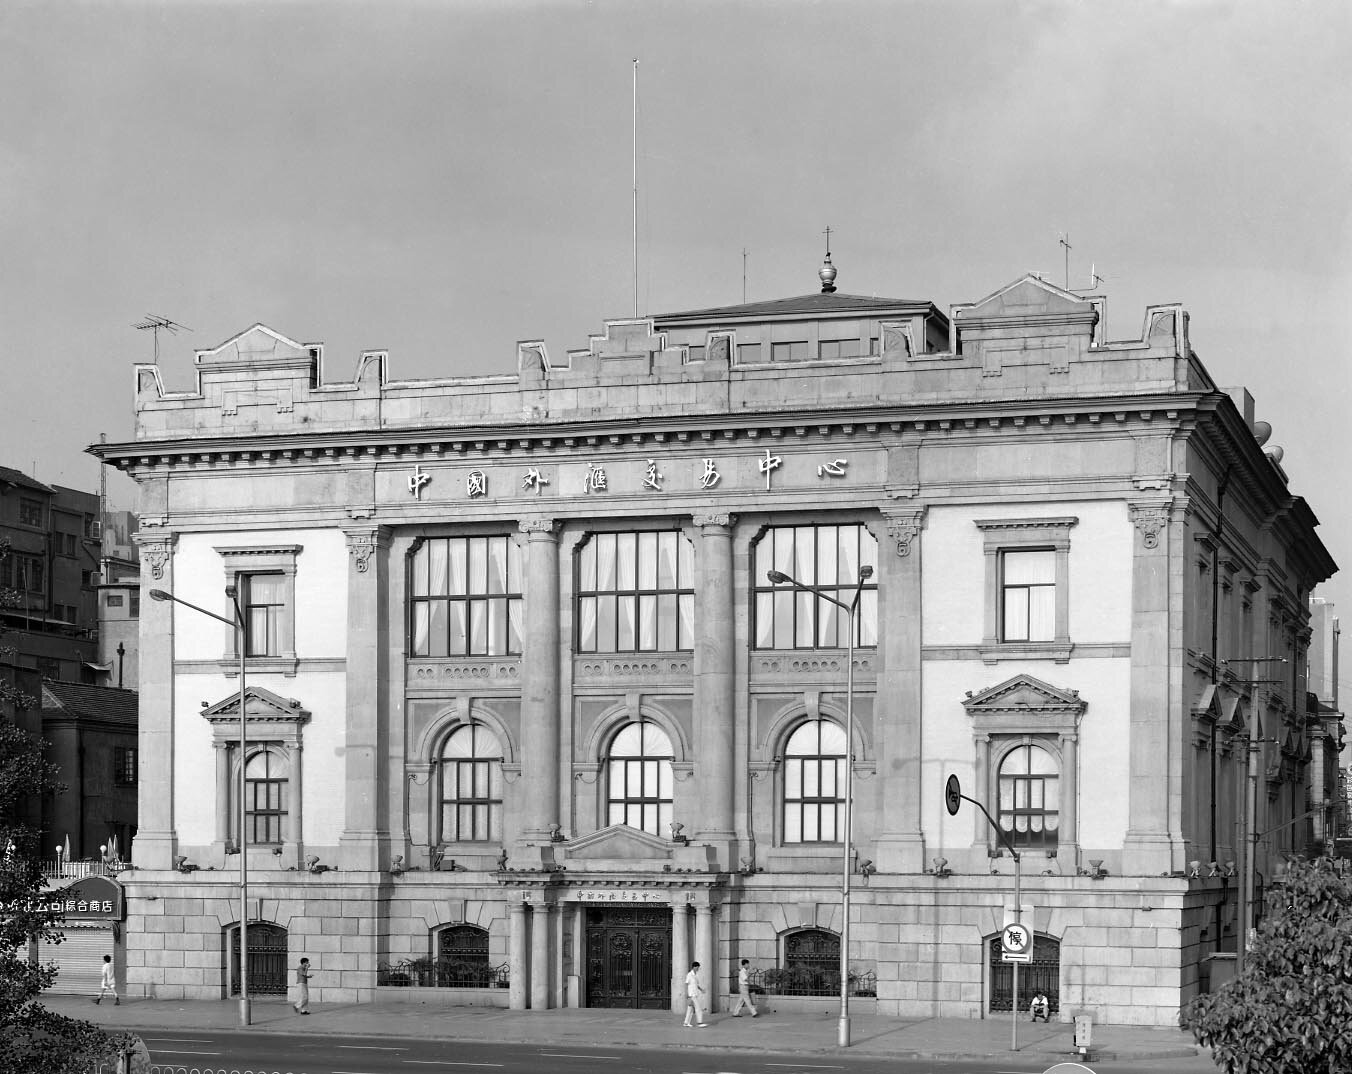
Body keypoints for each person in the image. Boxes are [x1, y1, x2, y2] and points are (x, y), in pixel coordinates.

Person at [682, 960, 708, 1027]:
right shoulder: (689, 975)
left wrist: (701, 989)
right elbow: (686, 984)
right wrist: (686, 994)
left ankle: (686, 1022)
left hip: (695, 994)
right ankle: (700, 1022)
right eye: (697, 967)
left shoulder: (695, 975)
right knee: (698, 1008)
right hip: (691, 995)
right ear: (694, 967)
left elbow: (696, 985)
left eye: (698, 967)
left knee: (690, 1009)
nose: (698, 969)